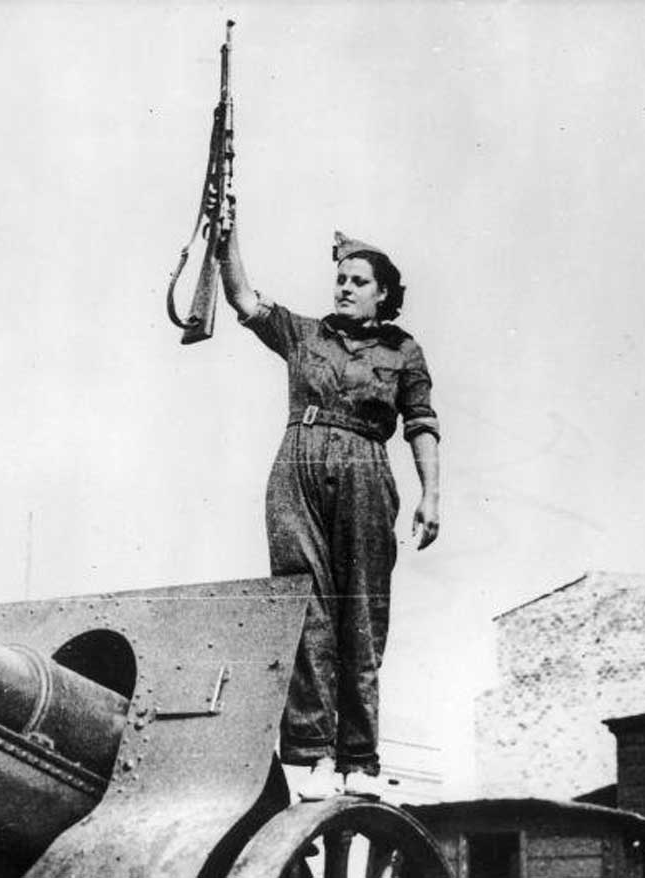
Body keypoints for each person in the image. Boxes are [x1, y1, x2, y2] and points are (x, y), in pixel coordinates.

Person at [218, 217, 441, 800]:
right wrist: (227, 241)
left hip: (366, 470)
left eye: (358, 280)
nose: (344, 287)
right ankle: (315, 756)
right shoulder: (304, 335)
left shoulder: (403, 351)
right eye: (340, 278)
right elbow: (243, 297)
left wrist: (431, 494)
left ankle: (358, 760)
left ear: (383, 292)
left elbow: (421, 425)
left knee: (360, 614)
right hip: (297, 469)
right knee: (306, 610)